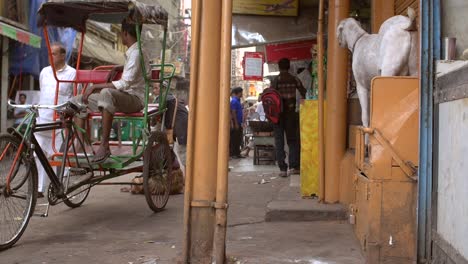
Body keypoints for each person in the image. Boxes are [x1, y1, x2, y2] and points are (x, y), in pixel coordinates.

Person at [71, 19, 150, 163]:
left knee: (106, 93)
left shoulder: (137, 53)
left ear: (125, 33)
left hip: (135, 99)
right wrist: (119, 67)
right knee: (78, 100)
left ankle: (104, 144)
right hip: (123, 97)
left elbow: (125, 83)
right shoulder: (133, 53)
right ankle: (79, 143)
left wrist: (96, 86)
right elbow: (132, 70)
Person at [36, 43, 76, 197]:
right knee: (38, 154)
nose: (50, 57)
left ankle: (57, 185)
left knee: (56, 156)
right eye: (49, 53)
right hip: (43, 119)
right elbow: (43, 92)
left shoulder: (72, 73)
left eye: (53, 54)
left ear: (62, 55)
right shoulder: (44, 72)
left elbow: (74, 97)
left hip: (59, 123)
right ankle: (39, 188)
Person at [272, 58, 306, 177]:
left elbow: (272, 96)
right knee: (293, 140)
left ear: (278, 67)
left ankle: (282, 169)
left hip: (278, 115)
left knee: (279, 141)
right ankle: (293, 166)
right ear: (289, 66)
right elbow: (303, 91)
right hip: (291, 113)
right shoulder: (294, 78)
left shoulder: (276, 80)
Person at [230, 87, 244, 159]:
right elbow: (233, 112)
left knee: (238, 138)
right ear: (238, 93)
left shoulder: (238, 101)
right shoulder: (234, 101)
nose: (242, 94)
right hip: (236, 123)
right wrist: (235, 123)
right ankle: (234, 154)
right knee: (235, 139)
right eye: (241, 92)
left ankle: (237, 153)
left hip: (239, 122)